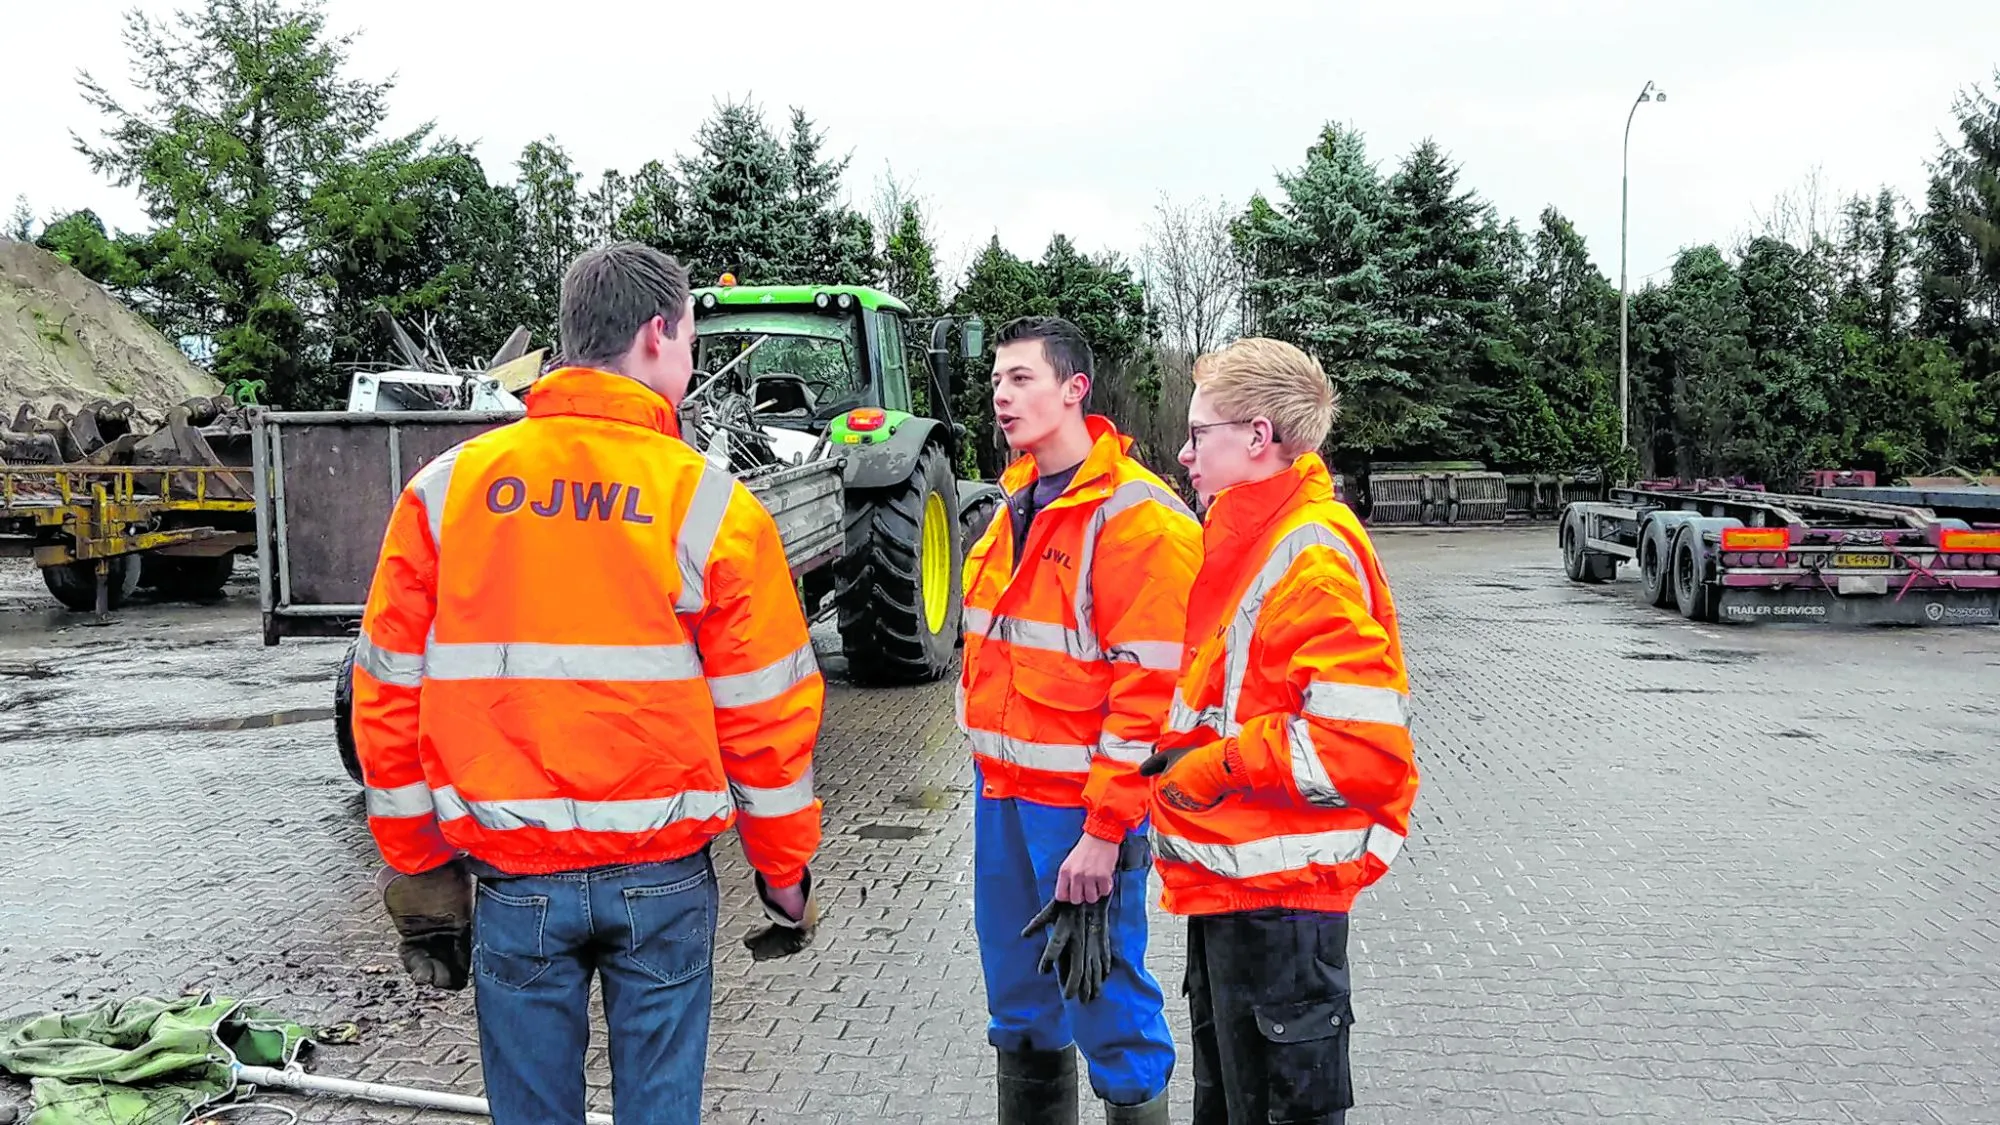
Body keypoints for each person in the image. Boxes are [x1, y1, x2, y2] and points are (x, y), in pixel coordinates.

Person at [350, 242, 825, 1125]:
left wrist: (419, 866)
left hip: (514, 877)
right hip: (664, 879)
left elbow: (386, 694)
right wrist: (783, 865)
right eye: (687, 338)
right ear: (657, 334)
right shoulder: (710, 504)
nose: (687, 360)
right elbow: (765, 711)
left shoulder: (445, 492)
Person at [1140, 337, 1420, 1124]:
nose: (1185, 454)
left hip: (1283, 911)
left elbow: (1361, 749)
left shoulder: (1309, 556)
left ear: (1258, 438)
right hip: (1239, 895)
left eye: (1200, 434)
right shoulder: (1254, 542)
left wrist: (1216, 766)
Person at [957, 315, 1201, 1124]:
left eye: (1021, 378)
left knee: (1108, 1004)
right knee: (1022, 1007)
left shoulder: (1138, 519)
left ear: (1074, 389)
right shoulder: (1012, 509)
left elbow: (1153, 692)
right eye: (996, 379)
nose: (1001, 394)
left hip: (1080, 815)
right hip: (1004, 800)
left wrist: (1104, 831)